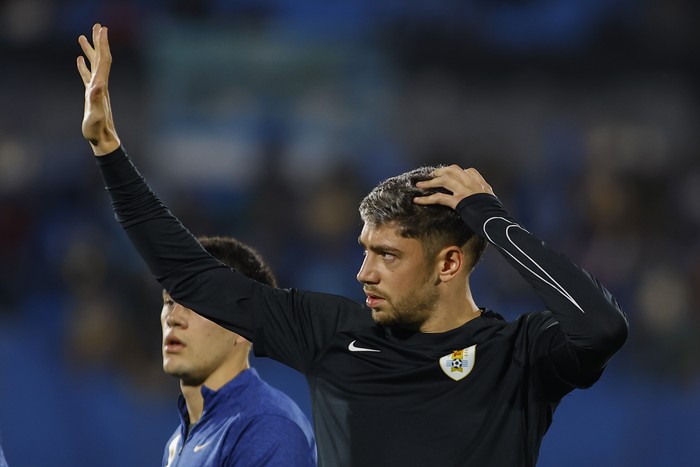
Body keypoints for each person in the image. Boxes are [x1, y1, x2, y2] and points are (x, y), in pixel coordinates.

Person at [77, 23, 629, 467]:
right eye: (365, 250)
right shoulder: (332, 333)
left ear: (450, 262)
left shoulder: (520, 355)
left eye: (387, 255)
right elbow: (192, 275)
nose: (364, 272)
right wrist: (108, 149)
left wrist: (491, 220)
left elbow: (601, 326)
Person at [159, 235, 317, 466]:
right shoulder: (179, 440)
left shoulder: (266, 426)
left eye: (197, 303)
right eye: (170, 301)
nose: (174, 318)